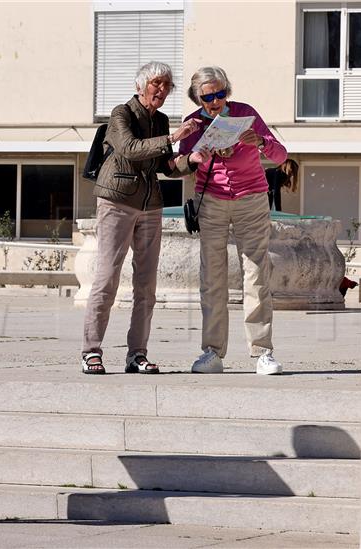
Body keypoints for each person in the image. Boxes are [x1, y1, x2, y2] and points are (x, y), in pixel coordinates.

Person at [81, 61, 206, 375]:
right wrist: (173, 137)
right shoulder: (121, 113)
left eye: (166, 85)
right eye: (156, 84)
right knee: (107, 278)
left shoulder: (161, 120)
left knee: (146, 286)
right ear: (140, 86)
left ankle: (137, 354)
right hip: (116, 201)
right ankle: (90, 351)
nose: (161, 90)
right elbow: (130, 148)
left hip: (151, 205)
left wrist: (192, 159)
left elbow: (165, 166)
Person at [179, 66, 288, 375]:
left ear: (227, 92)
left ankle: (263, 352)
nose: (215, 101)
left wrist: (261, 143)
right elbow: (178, 164)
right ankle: (212, 353)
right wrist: (194, 156)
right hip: (211, 200)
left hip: (251, 198)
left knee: (256, 274)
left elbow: (281, 156)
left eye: (220, 93)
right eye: (207, 97)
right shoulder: (192, 124)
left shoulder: (245, 113)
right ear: (197, 98)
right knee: (212, 279)